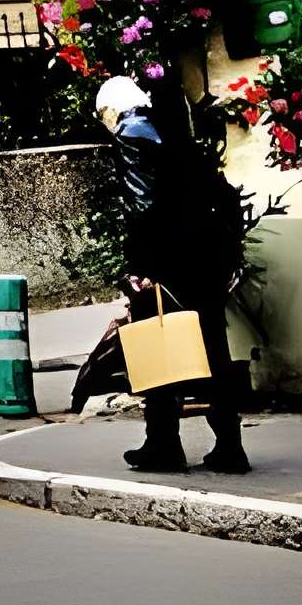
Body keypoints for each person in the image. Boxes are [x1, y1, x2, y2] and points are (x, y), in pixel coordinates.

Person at [99, 76, 250, 475]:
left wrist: (141, 266)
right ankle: (230, 445)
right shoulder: (176, 130)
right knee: (214, 346)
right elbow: (221, 193)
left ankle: (164, 443)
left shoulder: (131, 135)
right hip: (208, 257)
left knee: (160, 344)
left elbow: (142, 204)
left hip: (168, 260)